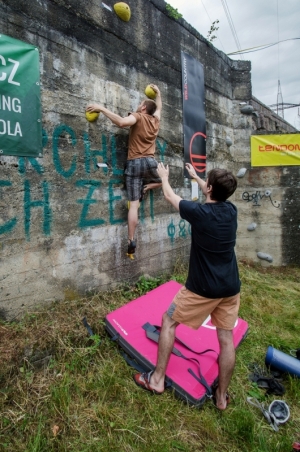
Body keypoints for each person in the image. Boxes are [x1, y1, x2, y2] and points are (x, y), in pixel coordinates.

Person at [133, 162, 240, 410]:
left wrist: (164, 177)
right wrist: (196, 177)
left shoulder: (200, 214)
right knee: (226, 339)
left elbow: (170, 195)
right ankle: (221, 397)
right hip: (231, 288)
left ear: (210, 189)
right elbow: (214, 192)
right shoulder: (231, 210)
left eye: (207, 184)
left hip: (203, 289)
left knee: (168, 321)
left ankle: (157, 380)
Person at [86, 84, 162, 258]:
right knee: (163, 180)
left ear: (143, 108)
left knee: (133, 205)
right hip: (150, 163)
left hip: (134, 164)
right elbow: (160, 108)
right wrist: (159, 94)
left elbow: (121, 122)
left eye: (140, 104)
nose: (139, 106)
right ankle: (149, 187)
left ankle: (131, 240)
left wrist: (101, 108)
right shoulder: (155, 120)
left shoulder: (138, 116)